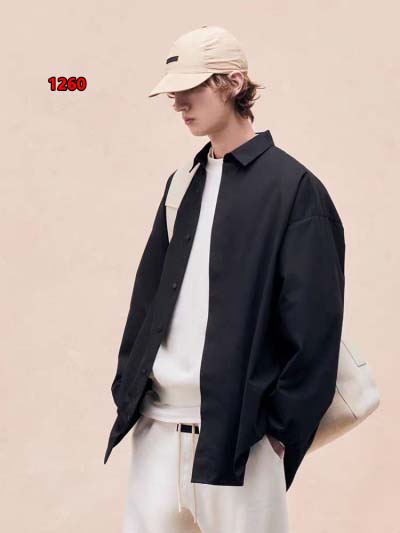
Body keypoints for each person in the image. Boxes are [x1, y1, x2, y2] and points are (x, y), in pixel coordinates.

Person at [104, 25, 345, 533]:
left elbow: (314, 329)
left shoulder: (293, 189)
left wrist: (278, 432)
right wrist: (128, 387)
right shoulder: (181, 185)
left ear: (234, 83)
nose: (178, 103)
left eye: (191, 88)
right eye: (173, 92)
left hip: (241, 441)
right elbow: (146, 303)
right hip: (157, 431)